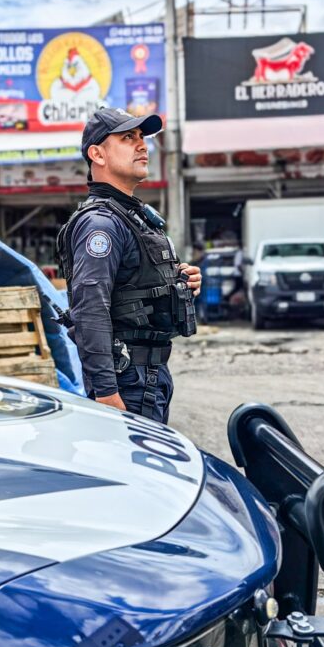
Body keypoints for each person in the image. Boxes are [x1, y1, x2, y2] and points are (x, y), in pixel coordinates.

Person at [57, 107, 201, 424]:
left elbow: (135, 288)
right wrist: (107, 394)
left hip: (148, 376)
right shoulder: (101, 224)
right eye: (127, 137)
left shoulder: (132, 217)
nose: (141, 145)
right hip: (126, 384)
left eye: (141, 137)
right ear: (97, 154)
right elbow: (89, 309)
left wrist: (179, 282)